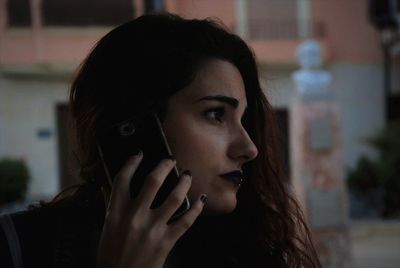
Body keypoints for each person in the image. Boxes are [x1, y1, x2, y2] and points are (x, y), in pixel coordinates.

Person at [0, 13, 321, 268]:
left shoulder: (246, 250)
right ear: (135, 126)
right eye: (215, 114)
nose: (249, 149)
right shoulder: (16, 247)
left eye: (242, 119)